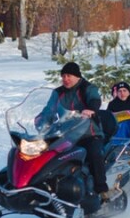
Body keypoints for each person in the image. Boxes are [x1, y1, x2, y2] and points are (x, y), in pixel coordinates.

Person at [39, 62, 116, 201]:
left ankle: (101, 190)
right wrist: (42, 119)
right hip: (65, 134)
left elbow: (94, 99)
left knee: (94, 154)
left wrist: (91, 109)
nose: (65, 79)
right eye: (63, 76)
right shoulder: (58, 92)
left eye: (68, 75)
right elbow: (49, 109)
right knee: (49, 155)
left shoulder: (87, 87)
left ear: (77, 76)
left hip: (89, 133)